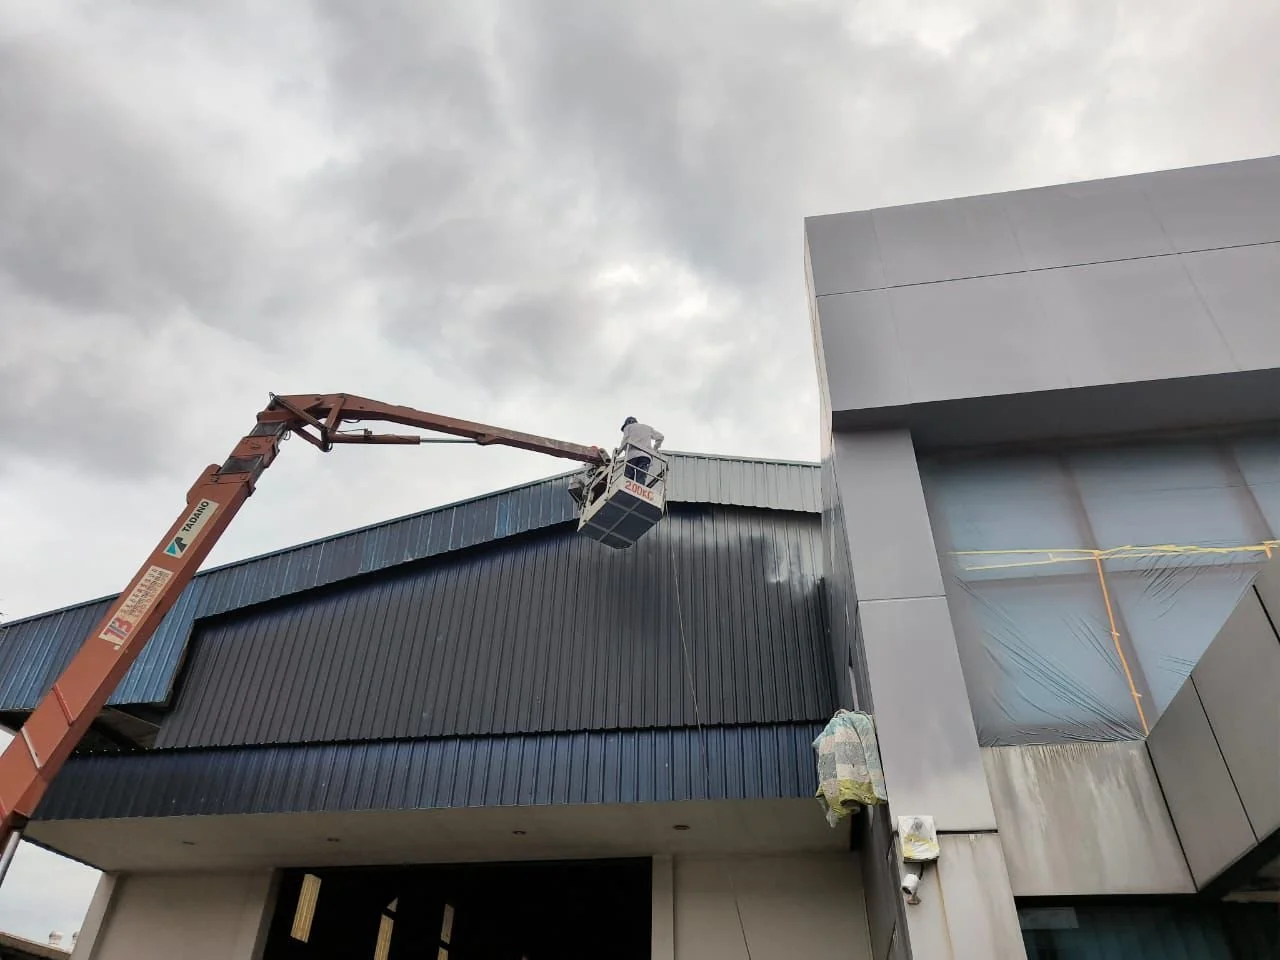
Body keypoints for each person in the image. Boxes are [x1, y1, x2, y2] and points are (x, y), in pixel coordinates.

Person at [619, 416, 664, 483]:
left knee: (628, 479)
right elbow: (660, 437)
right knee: (640, 478)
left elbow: (625, 441)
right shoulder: (647, 428)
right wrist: (654, 450)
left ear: (628, 423)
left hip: (632, 456)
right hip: (645, 456)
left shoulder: (628, 427)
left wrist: (618, 453)